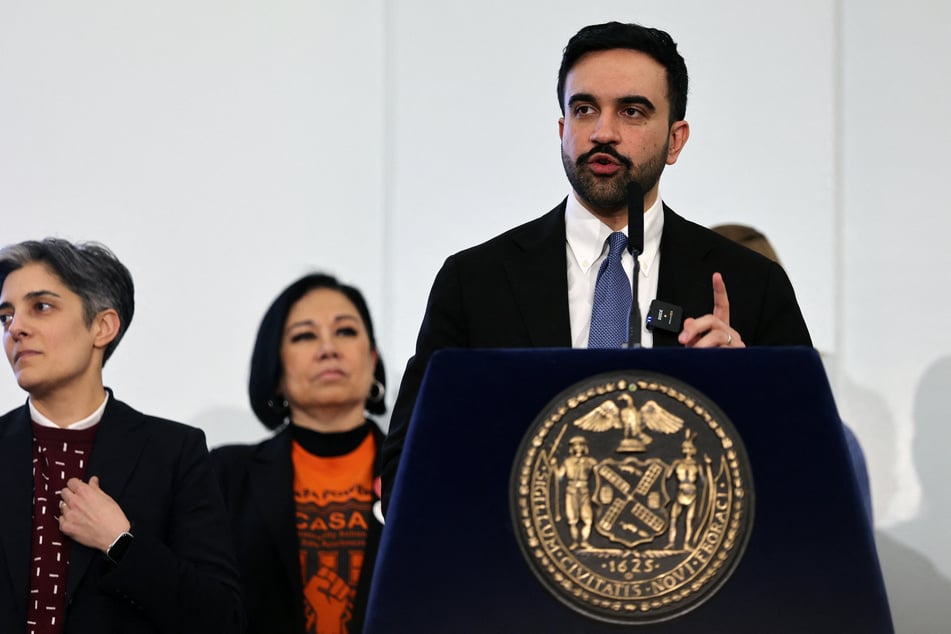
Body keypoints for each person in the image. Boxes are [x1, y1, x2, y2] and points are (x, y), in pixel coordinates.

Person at [381, 21, 813, 508]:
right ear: (563, 129)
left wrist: (748, 392)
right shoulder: (476, 282)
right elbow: (406, 475)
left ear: (676, 140)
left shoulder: (751, 285)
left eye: (632, 111)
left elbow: (812, 477)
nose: (603, 132)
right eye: (584, 109)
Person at [0, 238, 243, 633]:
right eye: (6, 316)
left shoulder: (174, 453)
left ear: (102, 326)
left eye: (41, 307)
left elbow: (221, 618)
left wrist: (120, 542)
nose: (17, 329)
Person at [210, 273, 387, 634]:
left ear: (372, 359)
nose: (328, 349)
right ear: (275, 369)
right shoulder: (225, 475)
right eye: (305, 336)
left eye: (346, 331)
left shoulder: (421, 472)